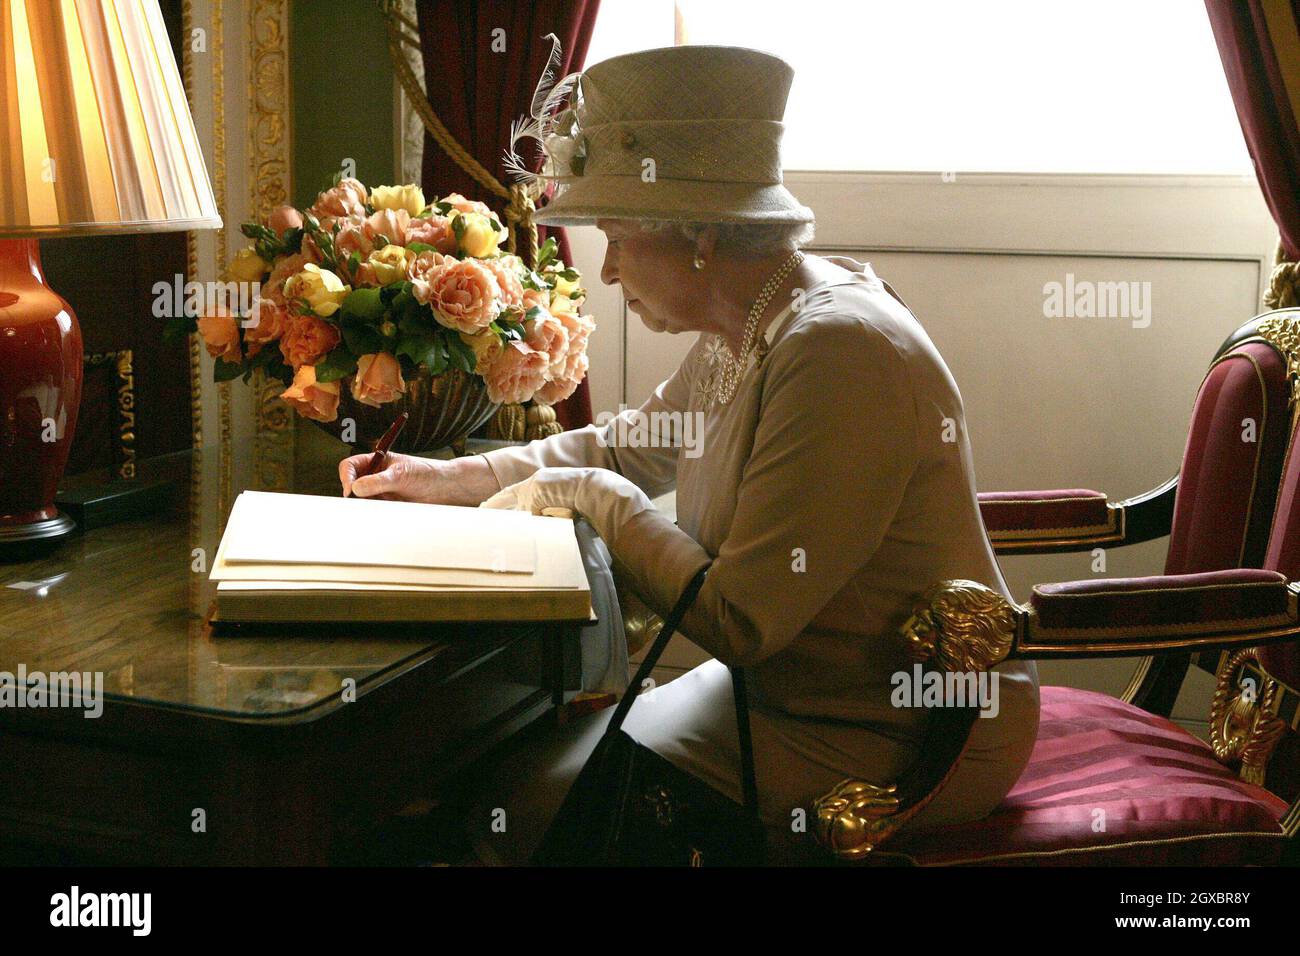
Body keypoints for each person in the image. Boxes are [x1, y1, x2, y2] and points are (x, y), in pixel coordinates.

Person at [339, 44, 1039, 865]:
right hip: (800, 699)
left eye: (618, 238)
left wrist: (592, 497)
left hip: (899, 733)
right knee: (512, 778)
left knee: (529, 818)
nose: (606, 270)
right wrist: (447, 477)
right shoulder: (751, 325)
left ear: (700, 235)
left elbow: (742, 620)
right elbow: (629, 444)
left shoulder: (836, 351)